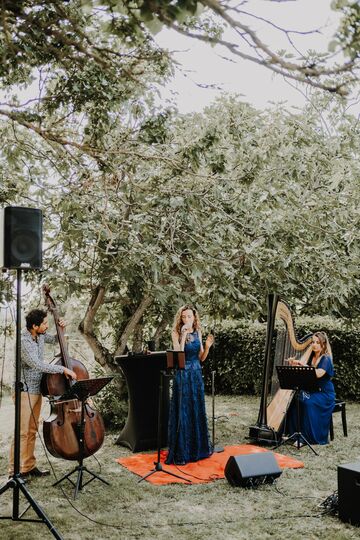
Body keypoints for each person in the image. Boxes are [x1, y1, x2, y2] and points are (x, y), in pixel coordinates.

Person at [8, 308, 77, 478]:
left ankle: (28, 466)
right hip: (24, 391)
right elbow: (37, 364)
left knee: (31, 430)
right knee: (22, 432)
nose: (47, 326)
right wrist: (63, 369)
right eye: (45, 323)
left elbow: (55, 340)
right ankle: (14, 471)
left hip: (36, 389)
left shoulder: (38, 335)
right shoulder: (24, 341)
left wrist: (61, 328)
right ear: (34, 325)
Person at [165, 304, 214, 465]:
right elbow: (178, 353)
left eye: (189, 317)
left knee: (195, 408)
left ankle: (197, 449)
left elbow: (201, 357)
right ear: (181, 318)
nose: (186, 319)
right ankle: (182, 451)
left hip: (196, 373)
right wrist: (182, 336)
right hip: (182, 373)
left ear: (194, 318)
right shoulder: (176, 332)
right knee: (183, 410)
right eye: (184, 316)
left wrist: (206, 347)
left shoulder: (198, 332)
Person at [287, 331, 335, 445]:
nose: (314, 344)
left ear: (323, 344)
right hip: (312, 390)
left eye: (317, 342)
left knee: (308, 403)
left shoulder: (326, 359)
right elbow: (305, 374)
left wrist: (303, 365)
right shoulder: (311, 357)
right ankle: (293, 434)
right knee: (296, 400)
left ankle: (306, 438)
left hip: (324, 393)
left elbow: (318, 373)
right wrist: (296, 365)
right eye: (313, 342)